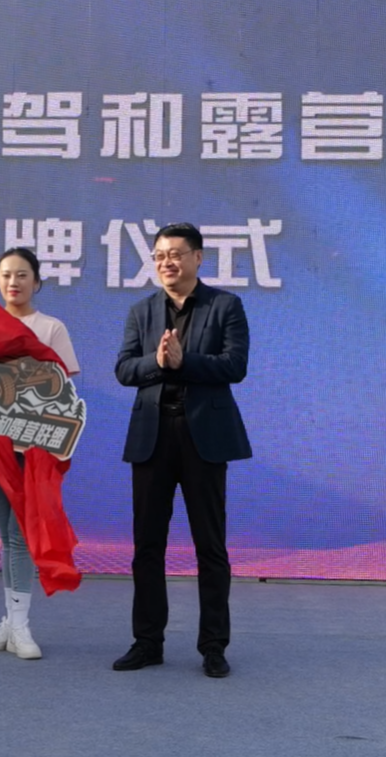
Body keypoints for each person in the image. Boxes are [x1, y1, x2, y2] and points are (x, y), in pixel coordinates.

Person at [112, 222, 251, 679]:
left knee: (210, 546)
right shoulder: (141, 311)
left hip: (203, 437)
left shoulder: (224, 306)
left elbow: (235, 365)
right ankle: (147, 642)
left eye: (175, 253)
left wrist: (183, 361)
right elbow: (124, 369)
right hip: (153, 436)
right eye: (159, 255)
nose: (166, 262)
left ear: (197, 258)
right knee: (147, 546)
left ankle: (213, 646)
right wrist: (157, 363)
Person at [0, 247, 80, 660]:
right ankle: (10, 621)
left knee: (20, 535)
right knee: (7, 535)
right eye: (5, 275)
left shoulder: (51, 328)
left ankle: (19, 626)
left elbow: (63, 393)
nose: (13, 282)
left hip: (33, 449)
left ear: (37, 282)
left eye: (21, 275)